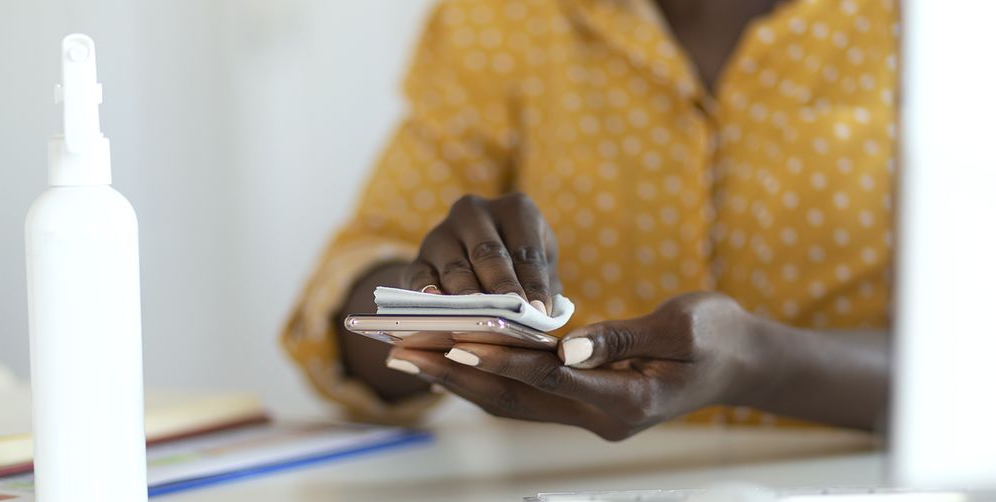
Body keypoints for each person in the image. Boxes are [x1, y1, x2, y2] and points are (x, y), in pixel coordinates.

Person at [282, 0, 896, 439]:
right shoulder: (503, 19)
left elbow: (988, 363)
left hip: (872, 497)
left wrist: (762, 361)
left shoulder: (933, 24)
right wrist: (432, 303)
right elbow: (346, 304)